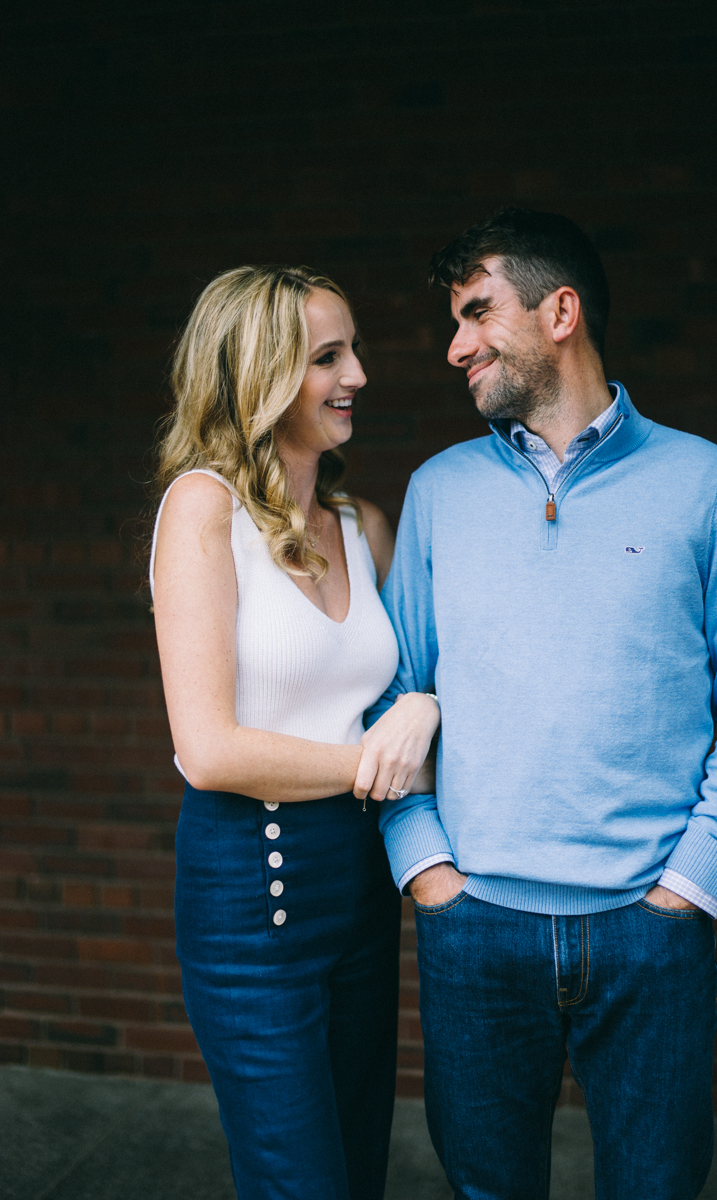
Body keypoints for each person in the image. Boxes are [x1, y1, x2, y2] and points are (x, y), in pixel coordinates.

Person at [370, 209, 717, 1200]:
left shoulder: (708, 485)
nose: (453, 345)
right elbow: (395, 695)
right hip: (473, 929)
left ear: (559, 311)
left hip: (649, 932)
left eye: (476, 312)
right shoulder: (438, 492)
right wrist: (424, 871)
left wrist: (688, 888)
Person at [149, 264, 441, 1200]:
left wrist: (424, 711)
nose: (357, 373)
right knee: (299, 1181)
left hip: (361, 887)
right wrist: (377, 759)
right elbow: (208, 748)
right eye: (326, 357)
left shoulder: (363, 525)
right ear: (258, 376)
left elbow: (419, 689)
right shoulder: (204, 510)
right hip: (251, 893)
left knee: (361, 1169)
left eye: (352, 349)